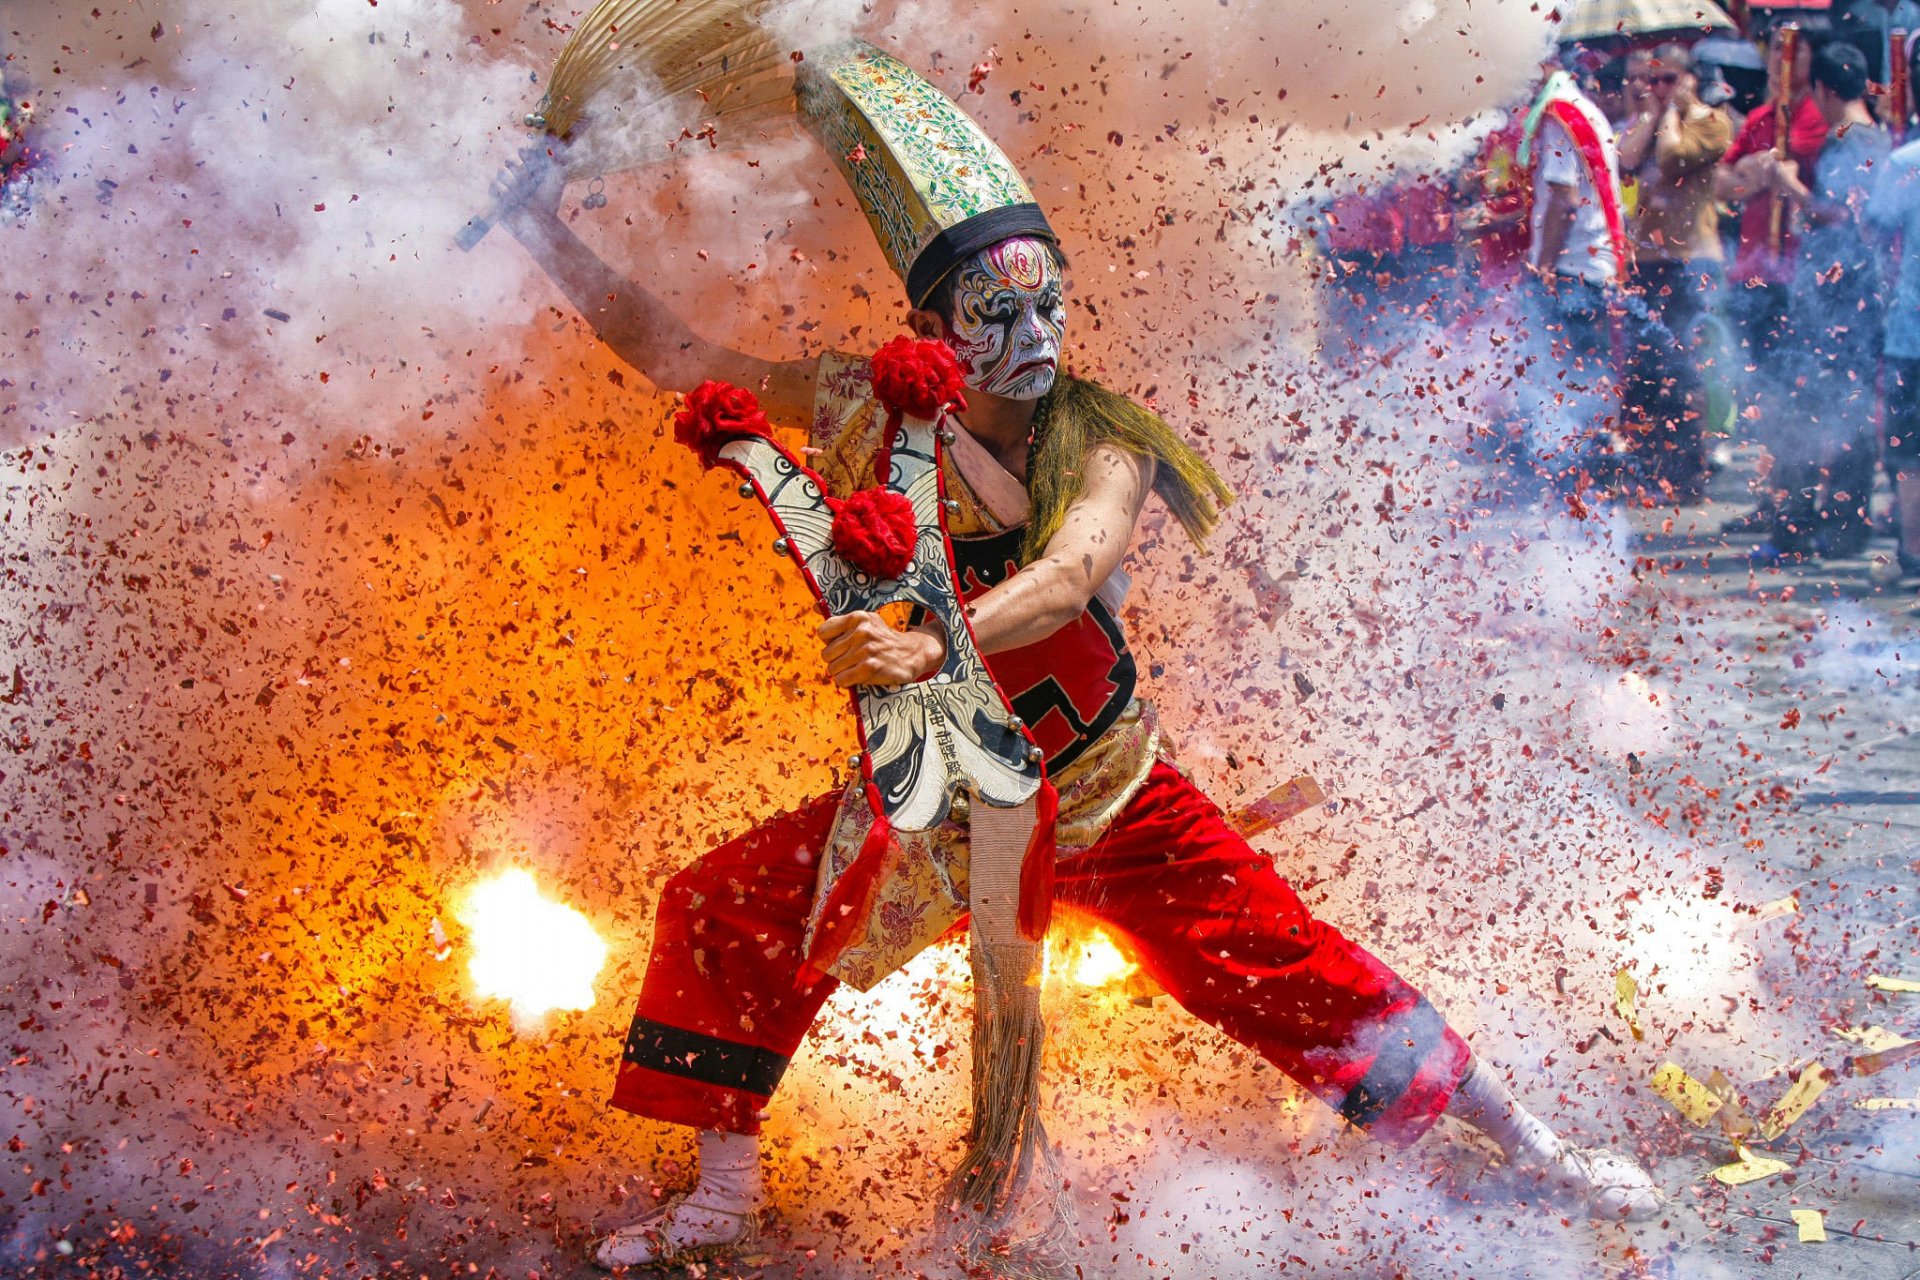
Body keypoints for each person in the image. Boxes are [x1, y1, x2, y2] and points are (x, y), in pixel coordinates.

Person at [491, 41, 1664, 1271]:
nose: (1037, 333)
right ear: (932, 327)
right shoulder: (858, 407)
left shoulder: (1105, 433)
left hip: (1109, 798)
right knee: (722, 907)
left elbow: (1066, 575)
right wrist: (541, 233)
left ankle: (1527, 1141)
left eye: (1050, 304)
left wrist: (931, 637)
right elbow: (679, 352)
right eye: (1000, 314)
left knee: (1287, 963)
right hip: (938, 809)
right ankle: (721, 1194)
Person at [1754, 41, 1890, 560]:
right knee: (1844, 417)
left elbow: (1844, 215)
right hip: (1856, 304)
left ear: (1825, 90)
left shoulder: (1851, 144)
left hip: (1836, 306)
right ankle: (1838, 528)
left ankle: (1800, 529)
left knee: (1808, 414)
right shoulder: (1878, 138)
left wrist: (1790, 188)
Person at [1715, 22, 1832, 528]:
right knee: (1762, 393)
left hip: (1796, 274)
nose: (1782, 60)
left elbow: (1797, 172)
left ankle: (1797, 500)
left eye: (1793, 51)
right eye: (1776, 50)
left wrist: (1768, 174)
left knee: (1795, 393)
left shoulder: (1815, 118)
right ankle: (1771, 495)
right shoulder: (1761, 118)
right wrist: (1752, 176)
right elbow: (1722, 182)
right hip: (1752, 272)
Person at [1617, 44, 1734, 500]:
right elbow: (1625, 161)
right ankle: (1652, 468)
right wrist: (1648, 115)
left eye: (1667, 79)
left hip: (1692, 260)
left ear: (1687, 79)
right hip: (1648, 260)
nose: (1657, 88)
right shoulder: (1645, 121)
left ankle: (1688, 472)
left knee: (1686, 369)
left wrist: (1670, 114)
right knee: (1648, 367)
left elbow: (1671, 159)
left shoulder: (1710, 121)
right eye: (1651, 79)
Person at [1517, 59, 1633, 488]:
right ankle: (1591, 490)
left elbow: (1565, 203)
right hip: (1590, 270)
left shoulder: (1559, 117)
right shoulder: (1585, 109)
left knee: (1566, 383)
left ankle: (1577, 490)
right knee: (1589, 381)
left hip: (1571, 273)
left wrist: (1542, 269)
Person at [1868, 121, 1920, 598]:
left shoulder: (1905, 163)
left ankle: (1913, 552)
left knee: (1909, 451)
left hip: (1911, 331)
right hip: (1908, 330)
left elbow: (1877, 237)